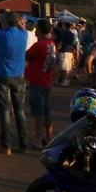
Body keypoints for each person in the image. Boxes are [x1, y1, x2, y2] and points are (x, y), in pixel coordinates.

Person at [0, 10, 30, 154]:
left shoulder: (2, 35)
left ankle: (6, 144)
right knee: (20, 111)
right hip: (19, 76)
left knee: (4, 111)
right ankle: (24, 144)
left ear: (5, 22)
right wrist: (18, 22)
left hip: (3, 76)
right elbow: (22, 27)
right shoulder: (24, 34)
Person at [25, 20, 57, 149]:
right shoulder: (51, 44)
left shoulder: (39, 45)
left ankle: (38, 138)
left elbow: (27, 55)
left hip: (37, 81)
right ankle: (49, 136)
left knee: (38, 112)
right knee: (46, 110)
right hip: (46, 80)